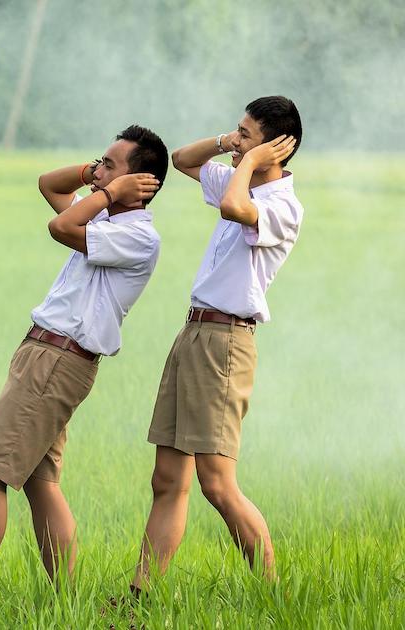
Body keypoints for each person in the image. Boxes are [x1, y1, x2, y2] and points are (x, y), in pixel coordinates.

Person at [0, 125, 168, 588]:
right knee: (39, 482)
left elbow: (60, 226)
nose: (97, 173)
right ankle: (66, 598)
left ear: (140, 183)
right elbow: (48, 185)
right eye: (100, 162)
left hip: (56, 360)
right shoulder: (106, 219)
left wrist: (109, 191)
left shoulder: (136, 237)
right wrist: (99, 175)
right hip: (46, 355)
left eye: (110, 165)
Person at [130, 96, 303, 593]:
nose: (235, 141)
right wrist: (232, 145)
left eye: (246, 133)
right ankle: (141, 597)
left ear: (274, 148)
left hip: (227, 341)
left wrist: (249, 161)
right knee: (166, 479)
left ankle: (272, 595)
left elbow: (233, 206)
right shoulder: (238, 176)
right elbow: (183, 160)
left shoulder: (282, 206)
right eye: (237, 132)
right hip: (194, 333)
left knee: (217, 484)